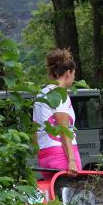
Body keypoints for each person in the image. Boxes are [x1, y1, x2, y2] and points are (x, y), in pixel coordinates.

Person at [33, 49, 81, 180]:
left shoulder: (41, 94)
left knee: (54, 199)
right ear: (68, 73)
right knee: (73, 197)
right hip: (62, 156)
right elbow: (63, 129)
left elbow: (34, 129)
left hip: (45, 156)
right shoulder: (60, 93)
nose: (73, 78)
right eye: (74, 74)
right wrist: (71, 160)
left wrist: (40, 154)